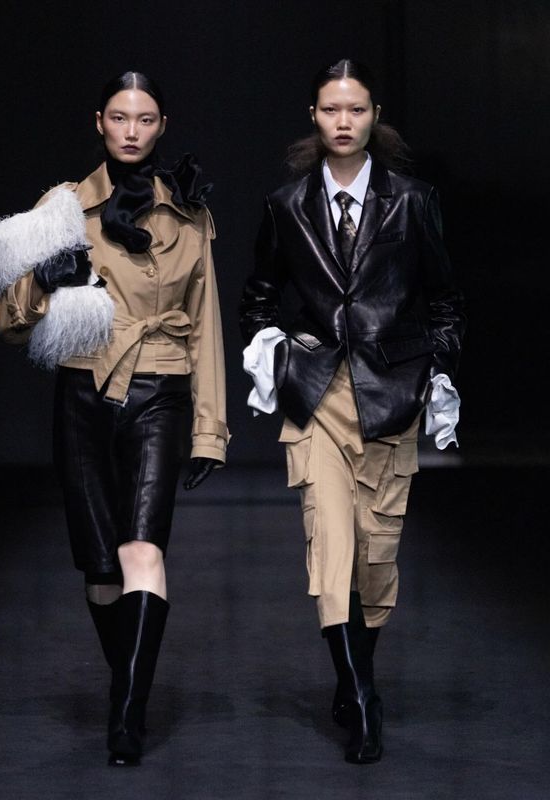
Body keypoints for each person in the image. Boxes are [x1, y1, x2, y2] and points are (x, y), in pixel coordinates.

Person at [0, 71, 228, 766]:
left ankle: (127, 715)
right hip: (83, 391)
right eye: (119, 117)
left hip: (161, 389)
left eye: (145, 119)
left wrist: (210, 429)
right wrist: (41, 282)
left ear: (162, 125)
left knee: (142, 550)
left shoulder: (189, 213)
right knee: (99, 567)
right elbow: (3, 322)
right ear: (99, 122)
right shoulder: (62, 208)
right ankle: (130, 682)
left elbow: (206, 323)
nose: (131, 131)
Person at [240, 59, 464, 764]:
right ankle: (364, 699)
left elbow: (444, 300)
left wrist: (439, 370)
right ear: (313, 115)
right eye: (331, 109)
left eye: (356, 109)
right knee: (332, 545)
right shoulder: (286, 205)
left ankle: (351, 674)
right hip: (318, 398)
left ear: (375, 116)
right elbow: (259, 295)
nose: (344, 121)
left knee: (375, 555)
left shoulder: (414, 201)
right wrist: (275, 349)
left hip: (391, 394)